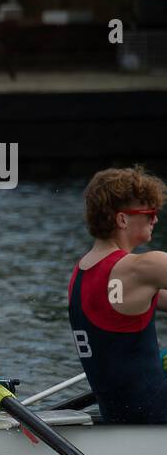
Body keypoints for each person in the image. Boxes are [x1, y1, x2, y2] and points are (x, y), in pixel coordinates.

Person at [68, 165, 167, 423]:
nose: (155, 219)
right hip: (156, 418)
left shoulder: (81, 272)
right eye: (149, 213)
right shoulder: (142, 267)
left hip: (118, 416)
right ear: (122, 219)